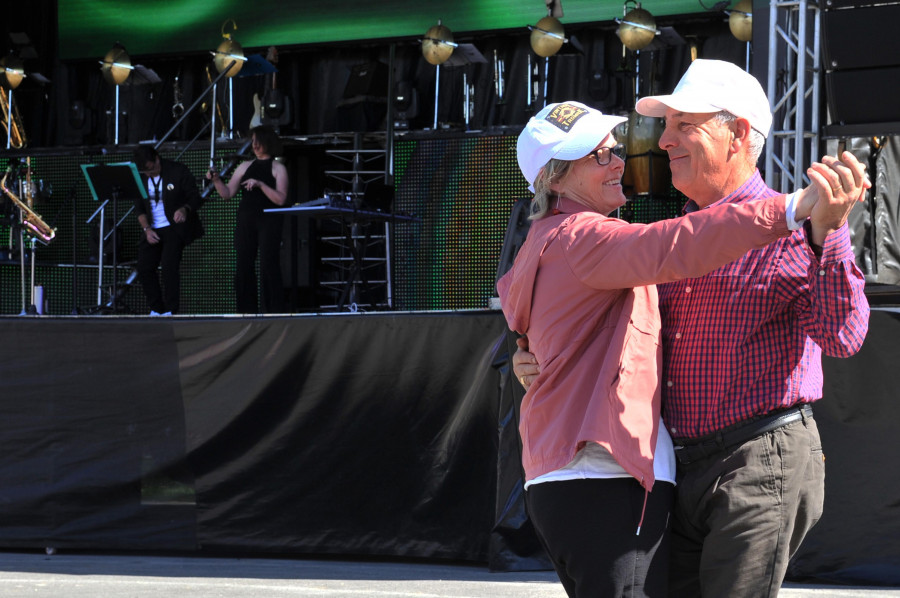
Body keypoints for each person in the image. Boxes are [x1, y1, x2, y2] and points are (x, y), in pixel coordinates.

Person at [513, 60, 870, 597]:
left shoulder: (791, 230)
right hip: (679, 464)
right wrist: (531, 351)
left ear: (738, 135)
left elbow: (843, 337)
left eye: (685, 125)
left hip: (757, 455)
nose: (662, 143)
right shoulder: (658, 236)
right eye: (666, 126)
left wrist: (830, 233)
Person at [207, 125, 289, 313]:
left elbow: (281, 198)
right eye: (252, 142)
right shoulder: (244, 166)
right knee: (244, 263)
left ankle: (274, 310)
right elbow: (227, 194)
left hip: (269, 219)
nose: (254, 146)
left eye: (258, 142)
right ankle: (245, 310)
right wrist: (217, 180)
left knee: (269, 263)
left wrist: (260, 185)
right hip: (247, 218)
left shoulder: (278, 168)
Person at [133, 145, 204, 315]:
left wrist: (184, 209)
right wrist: (147, 229)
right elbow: (139, 208)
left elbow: (195, 197)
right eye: (146, 172)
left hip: (173, 227)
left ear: (157, 159)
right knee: (144, 267)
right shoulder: (140, 178)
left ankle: (171, 310)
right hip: (153, 228)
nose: (150, 173)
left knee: (169, 267)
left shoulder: (178, 170)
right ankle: (156, 308)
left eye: (152, 169)